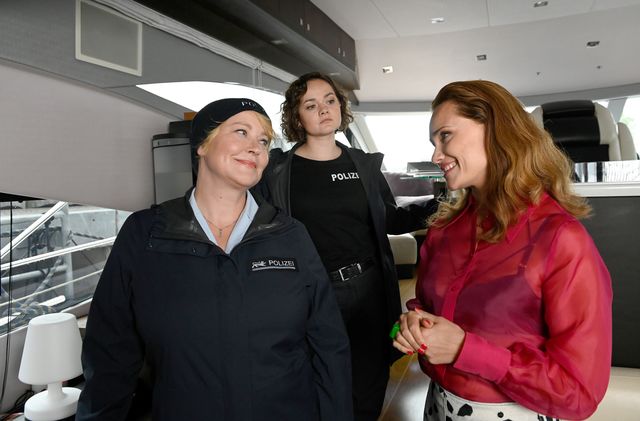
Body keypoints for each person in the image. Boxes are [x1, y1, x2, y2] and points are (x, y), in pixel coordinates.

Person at [77, 98, 353, 421]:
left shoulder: (290, 235)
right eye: (241, 132)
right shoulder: (145, 236)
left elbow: (329, 346)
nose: (256, 148)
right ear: (202, 145)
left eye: (264, 141)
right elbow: (109, 356)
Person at [392, 80, 612, 421]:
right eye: (433, 143)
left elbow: (579, 393)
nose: (435, 156)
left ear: (496, 129)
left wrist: (464, 349)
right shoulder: (443, 229)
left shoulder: (560, 239)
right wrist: (413, 324)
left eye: (445, 136)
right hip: (436, 405)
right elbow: (426, 307)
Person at [254, 72, 437, 421]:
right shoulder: (278, 171)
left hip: (368, 287)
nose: (324, 109)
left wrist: (442, 207)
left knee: (370, 378)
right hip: (312, 291)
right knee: (319, 378)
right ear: (297, 117)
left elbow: (389, 219)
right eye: (311, 105)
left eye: (330, 101)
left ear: (341, 107)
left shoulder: (363, 165)